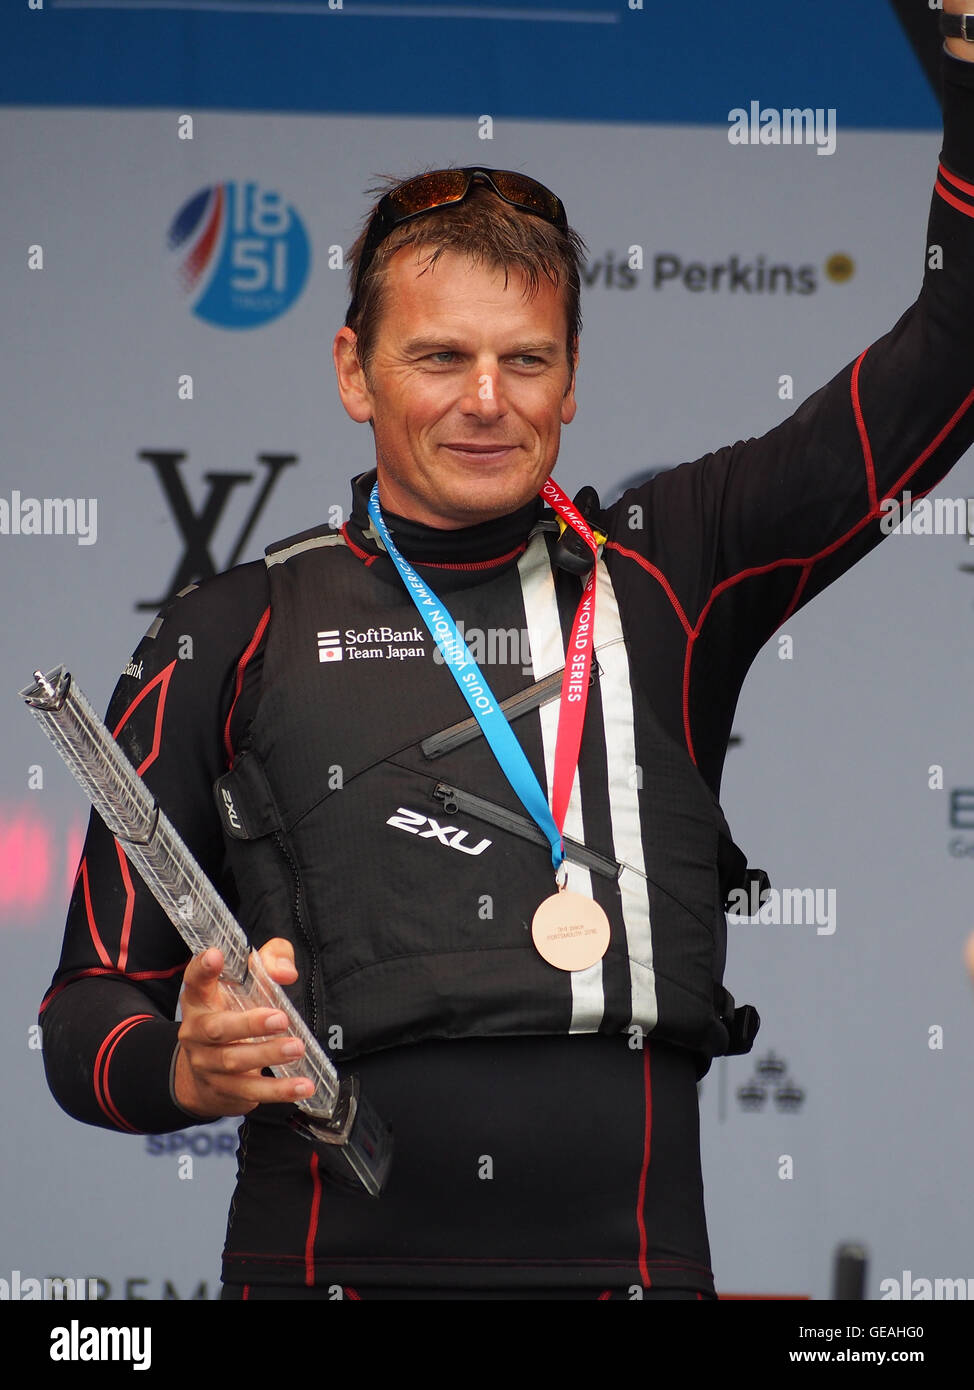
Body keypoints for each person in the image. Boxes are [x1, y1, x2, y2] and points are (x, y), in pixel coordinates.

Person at [39, 27, 974, 1301]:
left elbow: (947, 352)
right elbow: (84, 1007)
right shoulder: (226, 630)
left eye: (524, 358)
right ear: (352, 370)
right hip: (321, 1272)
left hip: (630, 1272)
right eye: (439, 356)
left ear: (570, 378)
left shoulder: (669, 572)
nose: (486, 398)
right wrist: (184, 1068)